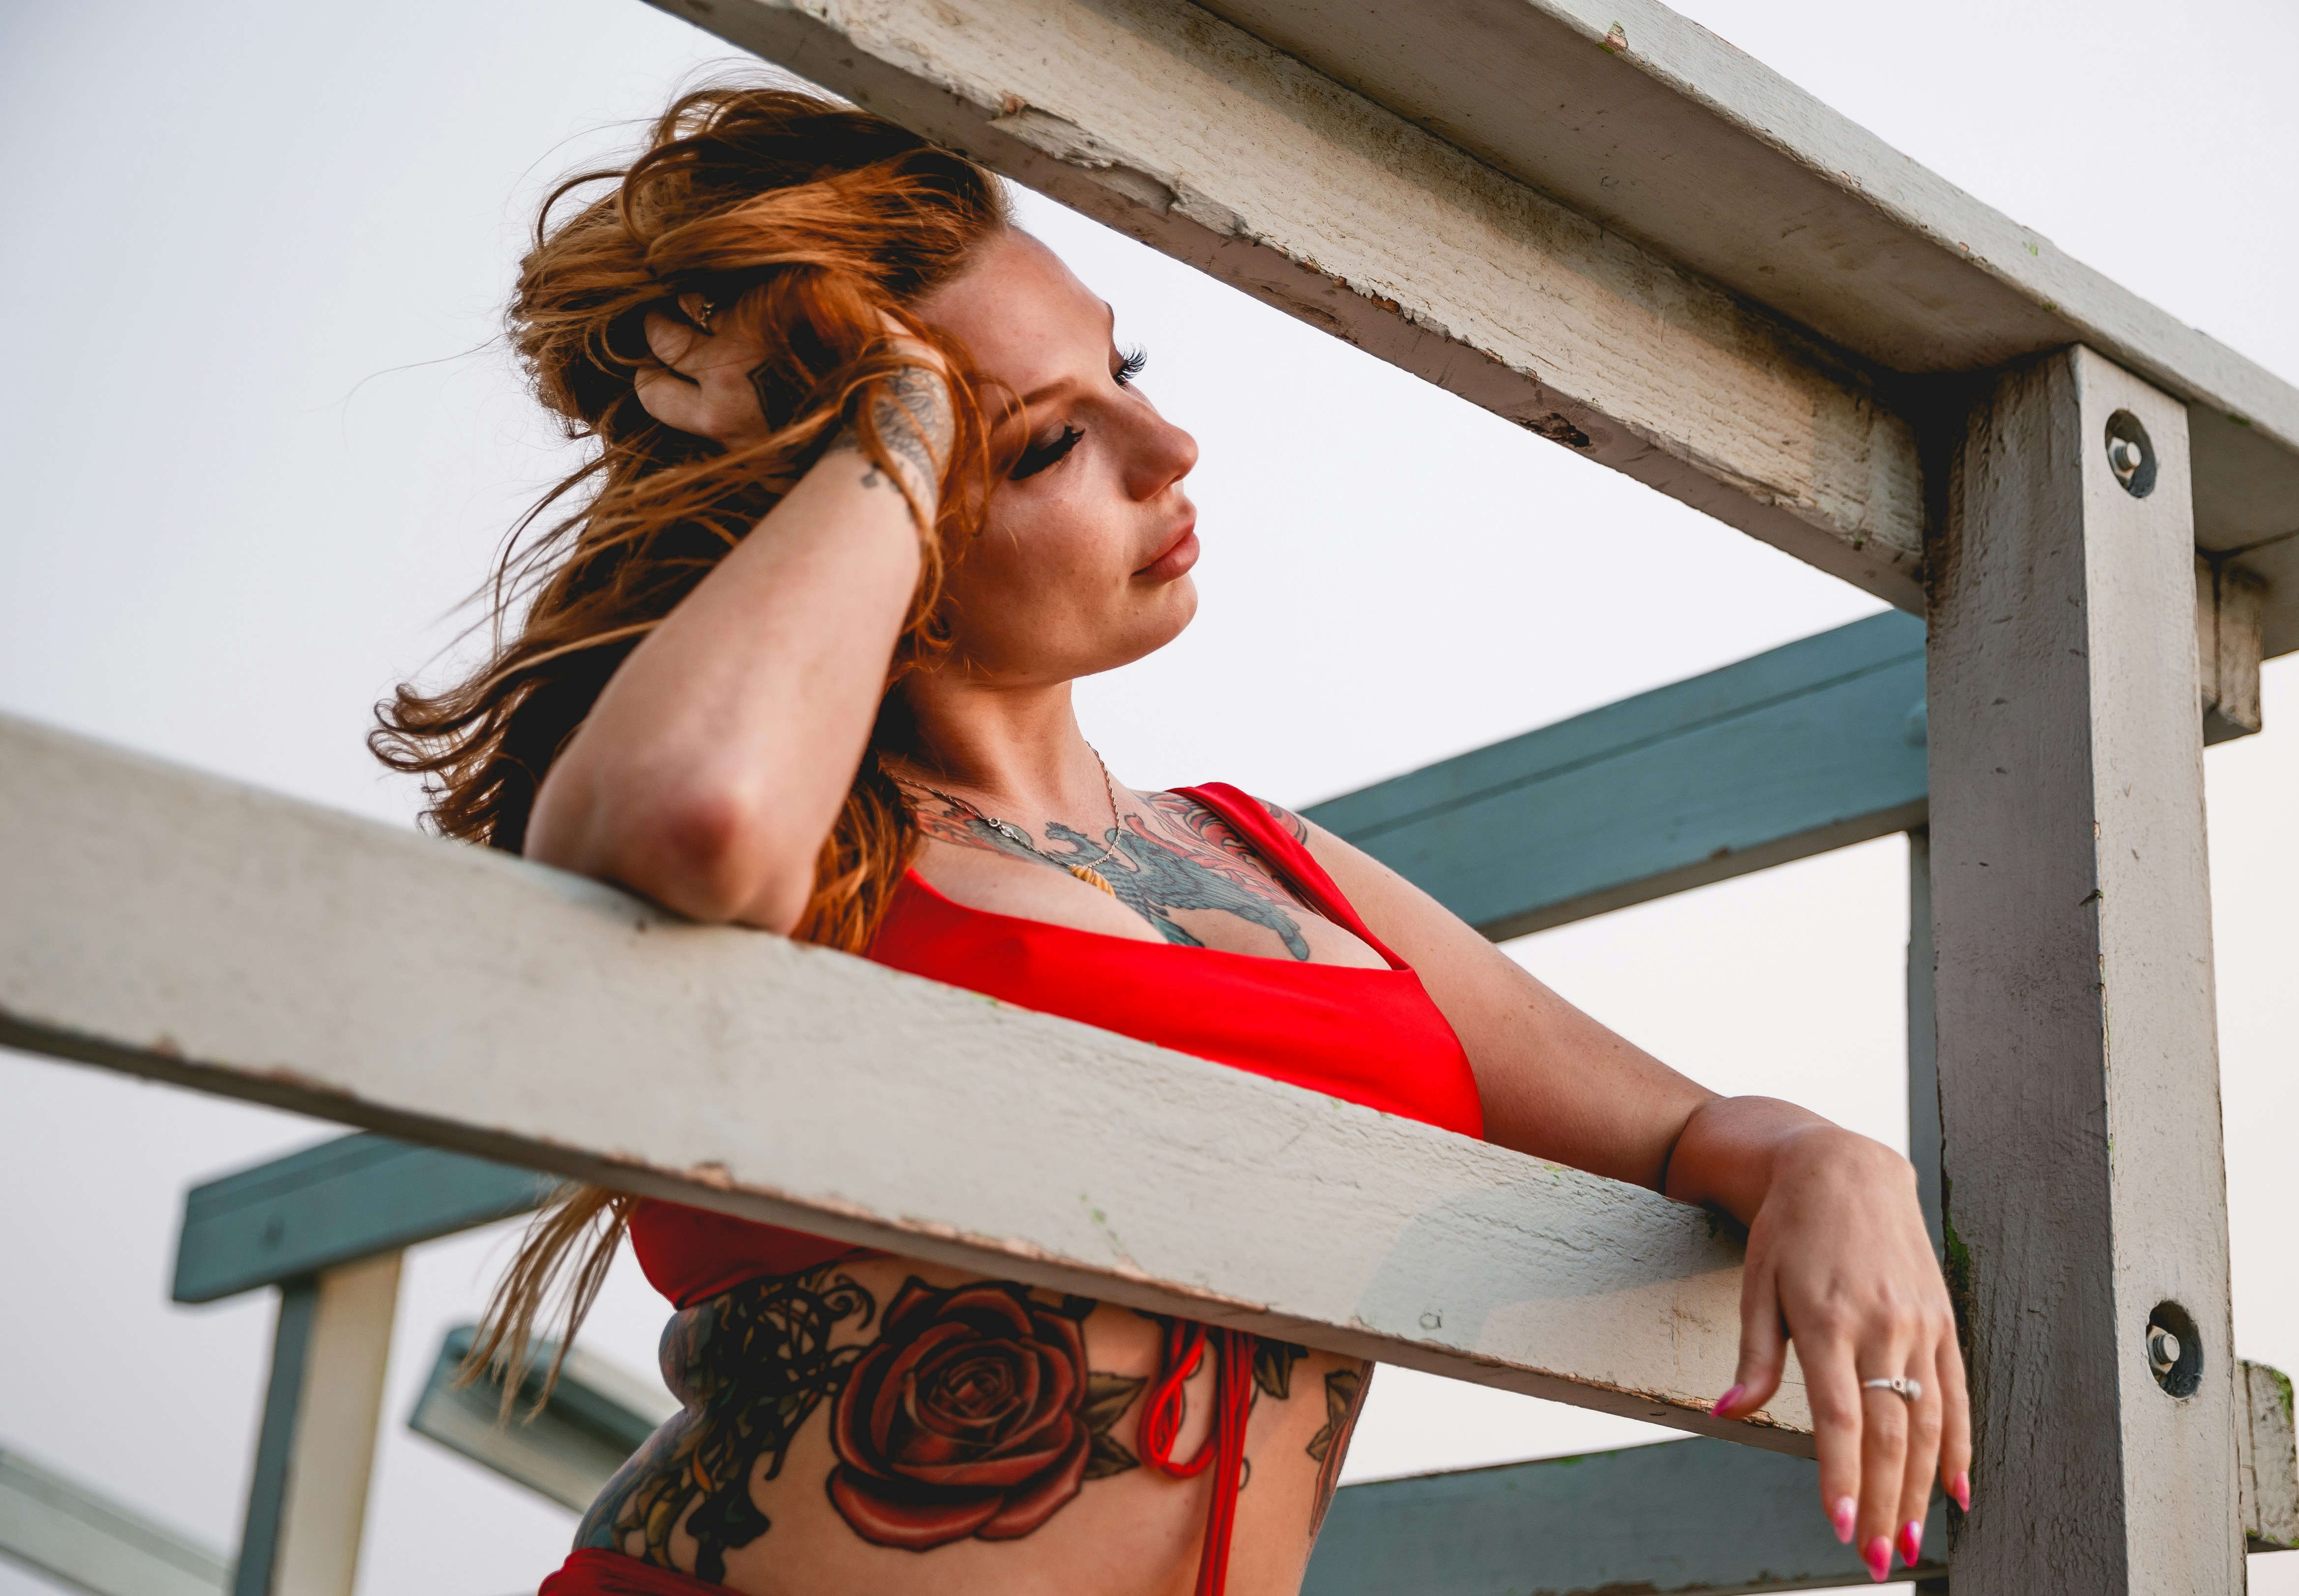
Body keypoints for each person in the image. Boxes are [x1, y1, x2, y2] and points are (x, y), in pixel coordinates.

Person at [375, 83, 1967, 1596]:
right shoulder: (790, 831)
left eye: (1125, 371)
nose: (1169, 449)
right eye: (1048, 444)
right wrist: (906, 408)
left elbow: (1689, 1136)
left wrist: (1829, 1160)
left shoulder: (1271, 860)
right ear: (878, 502)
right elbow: (684, 817)